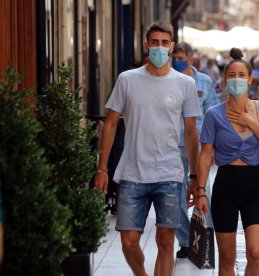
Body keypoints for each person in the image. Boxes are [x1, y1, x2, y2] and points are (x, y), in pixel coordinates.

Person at [94, 21, 201, 276]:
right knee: (128, 242)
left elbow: (190, 133)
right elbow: (109, 125)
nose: (160, 48)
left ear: (172, 47)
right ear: (146, 45)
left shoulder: (185, 84)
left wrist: (196, 178)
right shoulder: (127, 80)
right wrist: (102, 169)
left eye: (165, 43)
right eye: (155, 42)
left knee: (165, 241)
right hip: (132, 173)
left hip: (169, 174)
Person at [193, 47, 259, 276]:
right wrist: (201, 191)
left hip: (253, 187)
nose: (236, 80)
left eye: (241, 75)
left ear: (250, 79)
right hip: (225, 187)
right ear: (224, 80)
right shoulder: (214, 114)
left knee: (255, 253)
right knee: (227, 258)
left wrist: (251, 123)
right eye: (231, 75)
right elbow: (205, 156)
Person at [171, 42, 217, 258]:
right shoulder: (168, 81)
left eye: (180, 57)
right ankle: (186, 242)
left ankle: (204, 240)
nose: (177, 60)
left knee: (202, 192)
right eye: (175, 57)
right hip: (173, 145)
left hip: (199, 146)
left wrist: (214, 146)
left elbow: (213, 114)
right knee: (177, 194)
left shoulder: (205, 82)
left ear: (190, 58)